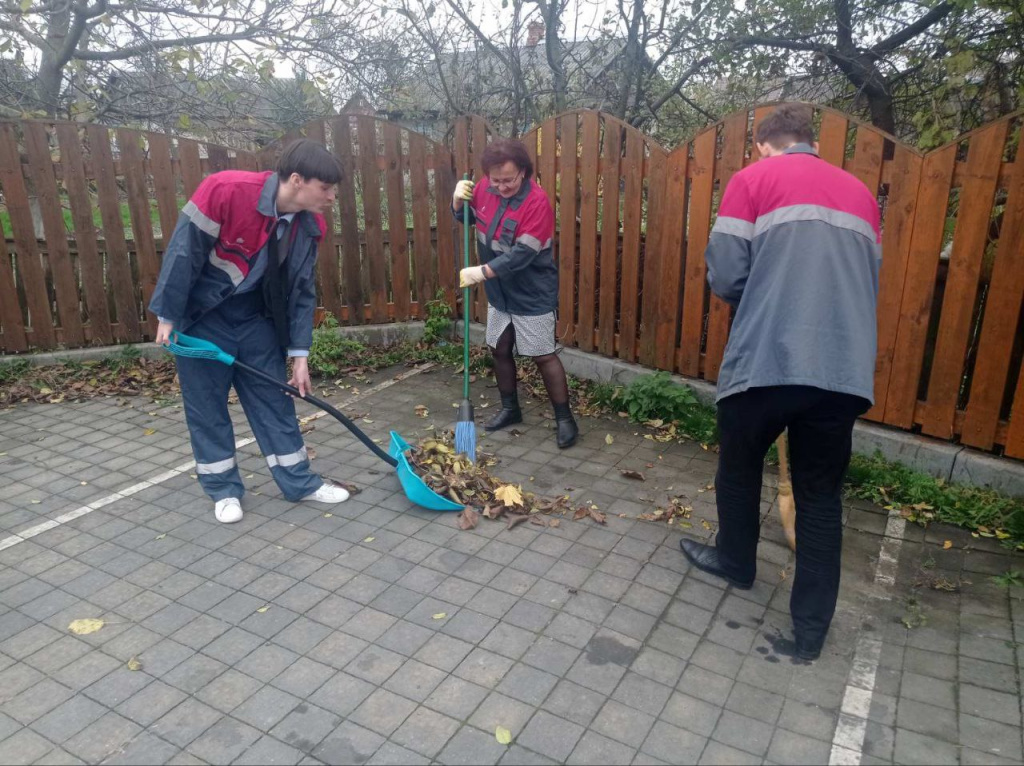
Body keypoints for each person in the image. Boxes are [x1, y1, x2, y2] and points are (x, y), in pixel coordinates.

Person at [678, 104, 881, 660]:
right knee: (821, 496)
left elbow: (727, 274)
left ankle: (736, 563)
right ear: (810, 142)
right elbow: (864, 276)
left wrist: (767, 295)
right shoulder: (861, 195)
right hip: (842, 368)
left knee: (739, 465)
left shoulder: (753, 180)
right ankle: (811, 632)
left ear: (763, 145)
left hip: (768, 358)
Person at [150, 139, 352, 524]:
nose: (331, 197)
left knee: (274, 401)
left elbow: (302, 290)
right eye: (325, 188)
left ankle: (299, 483)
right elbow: (184, 251)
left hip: (256, 319)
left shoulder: (310, 226)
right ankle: (223, 490)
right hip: (203, 319)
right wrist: (168, 314)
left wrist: (300, 355)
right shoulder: (225, 191)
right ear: (297, 180)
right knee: (207, 408)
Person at [453, 138, 578, 448]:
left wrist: (481, 272)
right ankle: (511, 409)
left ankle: (565, 419)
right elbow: (468, 218)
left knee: (542, 354)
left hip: (531, 291)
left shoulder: (537, 202)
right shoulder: (485, 188)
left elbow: (523, 254)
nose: (501, 186)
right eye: (495, 180)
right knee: (499, 348)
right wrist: (457, 202)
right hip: (499, 291)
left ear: (523, 171)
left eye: (508, 180)